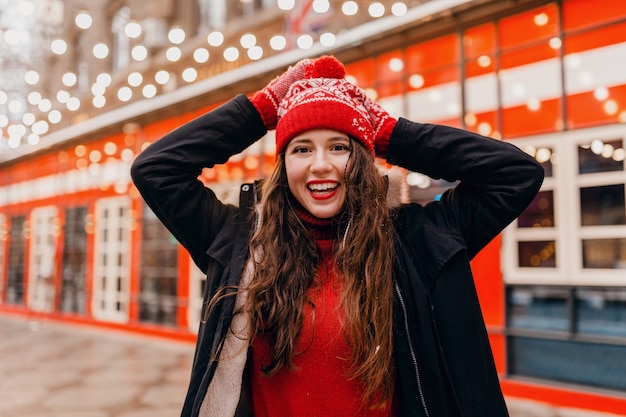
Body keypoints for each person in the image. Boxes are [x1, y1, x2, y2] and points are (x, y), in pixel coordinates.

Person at [131, 55, 544, 417]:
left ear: (362, 160)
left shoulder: (416, 242)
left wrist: (388, 133)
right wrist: (263, 109)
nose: (320, 165)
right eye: (302, 149)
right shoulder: (239, 243)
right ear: (283, 166)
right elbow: (156, 169)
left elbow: (514, 174)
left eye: (340, 147)